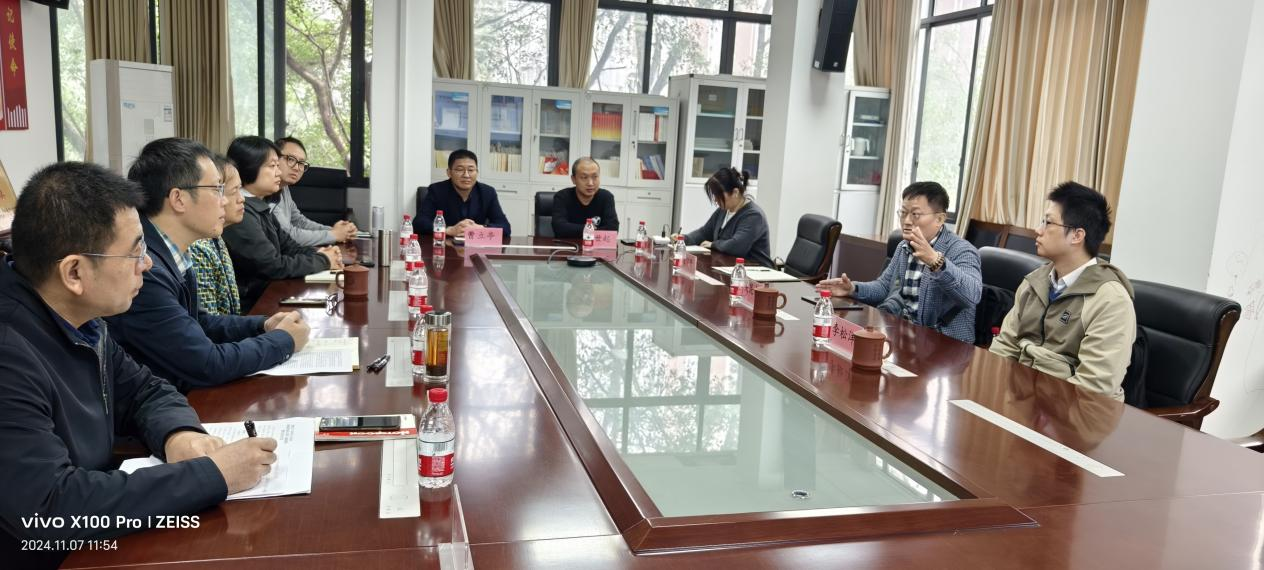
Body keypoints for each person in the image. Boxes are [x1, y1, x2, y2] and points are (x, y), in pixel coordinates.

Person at [0, 162, 277, 567]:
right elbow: (46, 509)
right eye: (134, 252)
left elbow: (145, 390)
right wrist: (214, 474)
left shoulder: (81, 316)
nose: (146, 264)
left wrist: (179, 434)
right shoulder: (10, 353)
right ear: (74, 272)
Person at [103, 138, 310, 392]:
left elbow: (198, 323)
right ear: (178, 199)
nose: (225, 201)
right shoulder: (145, 270)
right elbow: (207, 364)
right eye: (216, 189)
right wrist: (284, 340)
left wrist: (263, 325)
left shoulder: (170, 250)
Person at [990, 182, 1136, 401]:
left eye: (1048, 222)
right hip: (1022, 398)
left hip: (1075, 411)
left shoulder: (1110, 300)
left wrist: (1031, 410)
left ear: (1077, 236)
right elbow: (1005, 346)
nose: (1038, 230)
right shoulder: (1035, 282)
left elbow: (1094, 388)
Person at [817, 182, 982, 344]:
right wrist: (852, 289)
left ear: (939, 219)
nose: (907, 221)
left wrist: (935, 261)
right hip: (905, 335)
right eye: (903, 213)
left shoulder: (962, 250)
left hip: (946, 343)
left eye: (915, 214)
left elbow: (972, 296)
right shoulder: (904, 246)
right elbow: (884, 287)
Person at [222, 136, 341, 312]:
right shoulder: (241, 213)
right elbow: (273, 266)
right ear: (249, 167)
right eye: (273, 166)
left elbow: (289, 246)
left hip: (270, 294)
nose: (279, 173)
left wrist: (322, 255)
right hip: (253, 306)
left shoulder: (259, 205)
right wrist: (324, 260)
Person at [677, 167, 772, 267]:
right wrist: (683, 239)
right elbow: (704, 233)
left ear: (735, 192)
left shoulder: (754, 216)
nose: (716, 200)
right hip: (728, 267)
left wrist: (713, 244)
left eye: (718, 195)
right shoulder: (722, 211)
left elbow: (737, 246)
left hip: (754, 271)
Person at [273, 136, 358, 246]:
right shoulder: (265, 192)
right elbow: (288, 235)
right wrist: (334, 234)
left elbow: (299, 221)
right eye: (291, 159)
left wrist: (338, 231)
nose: (297, 168)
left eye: (301, 163)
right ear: (274, 158)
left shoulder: (284, 188)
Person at [187, 156, 245, 315]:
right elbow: (208, 321)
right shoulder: (198, 248)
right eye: (234, 191)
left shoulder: (215, 236)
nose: (242, 199)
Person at [415, 149, 511, 238]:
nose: (466, 175)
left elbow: (505, 227)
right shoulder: (437, 190)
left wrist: (481, 228)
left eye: (471, 170)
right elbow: (419, 223)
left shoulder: (487, 193)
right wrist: (448, 230)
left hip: (475, 246)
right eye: (460, 170)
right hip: (445, 246)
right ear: (449, 172)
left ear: (477, 172)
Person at [551, 157, 618, 238]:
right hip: (568, 244)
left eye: (595, 177)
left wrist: (575, 229)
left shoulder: (606, 197)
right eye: (584, 177)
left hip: (596, 245)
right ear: (573, 179)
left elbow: (613, 229)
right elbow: (559, 228)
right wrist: (590, 229)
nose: (590, 183)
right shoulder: (562, 197)